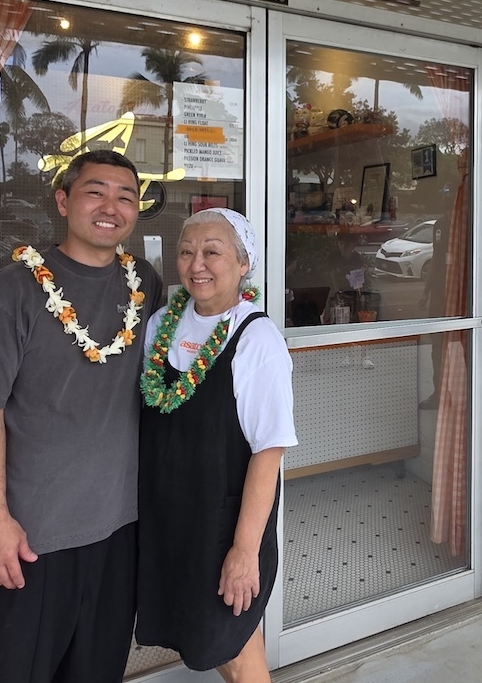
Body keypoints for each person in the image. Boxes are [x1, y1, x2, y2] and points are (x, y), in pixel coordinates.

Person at [0, 150, 161, 683]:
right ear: (63, 201)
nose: (111, 206)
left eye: (126, 196)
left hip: (119, 531)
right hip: (33, 539)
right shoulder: (13, 289)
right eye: (95, 191)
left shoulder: (145, 285)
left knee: (96, 672)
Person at [137, 208, 297, 681]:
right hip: (170, 519)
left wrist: (245, 551)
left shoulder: (256, 339)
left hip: (223, 524)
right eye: (187, 252)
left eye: (213, 252)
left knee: (237, 645)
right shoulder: (163, 323)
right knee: (220, 641)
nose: (196, 264)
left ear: (244, 263)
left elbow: (269, 454)